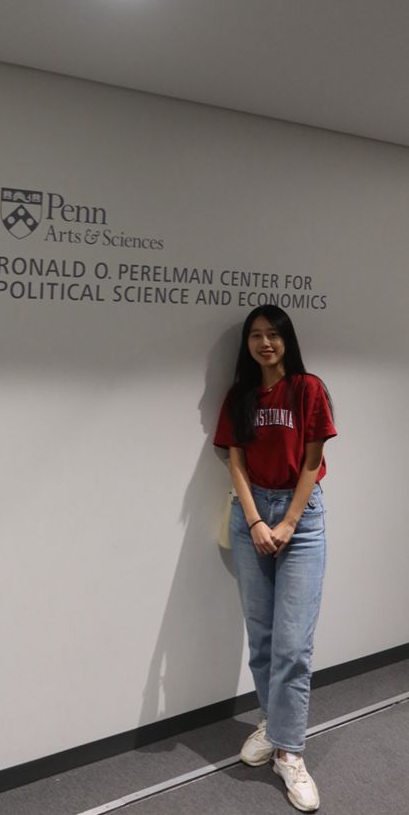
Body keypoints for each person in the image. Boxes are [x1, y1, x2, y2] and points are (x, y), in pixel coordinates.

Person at [213, 305, 336, 813]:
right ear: (247, 344)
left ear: (287, 340)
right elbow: (235, 461)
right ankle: (273, 722)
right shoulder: (240, 395)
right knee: (262, 637)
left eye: (273, 335)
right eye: (256, 336)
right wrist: (256, 521)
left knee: (293, 644)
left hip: (300, 518)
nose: (265, 343)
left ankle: (290, 751)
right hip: (251, 518)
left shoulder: (308, 389)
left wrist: (287, 522)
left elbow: (312, 460)